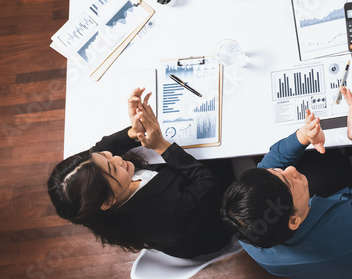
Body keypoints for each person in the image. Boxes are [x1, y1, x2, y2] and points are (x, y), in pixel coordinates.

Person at [221, 88, 352, 279]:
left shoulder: (248, 231)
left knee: (318, 159)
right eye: (289, 182)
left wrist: (303, 135)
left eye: (276, 172)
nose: (290, 170)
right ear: (294, 219)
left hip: (338, 262)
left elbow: (264, 171)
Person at [47, 88, 231, 257]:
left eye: (106, 156)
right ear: (107, 201)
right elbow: (209, 183)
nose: (117, 159)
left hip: (190, 198)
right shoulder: (166, 213)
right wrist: (163, 147)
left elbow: (99, 149)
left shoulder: (103, 198)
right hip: (217, 217)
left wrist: (134, 132)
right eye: (112, 167)